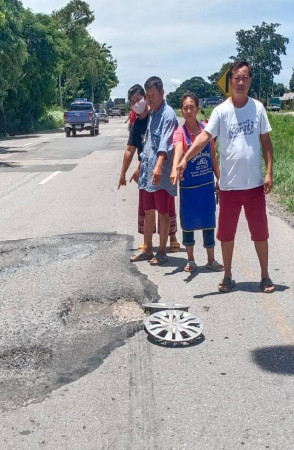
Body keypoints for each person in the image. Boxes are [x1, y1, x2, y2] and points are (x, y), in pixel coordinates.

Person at [176, 61, 275, 293]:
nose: (240, 82)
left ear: (250, 81)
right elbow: (204, 138)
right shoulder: (221, 111)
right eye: (236, 78)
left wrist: (269, 172)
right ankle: (228, 276)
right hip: (229, 187)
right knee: (226, 234)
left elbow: (266, 143)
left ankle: (265, 276)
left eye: (245, 77)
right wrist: (185, 158)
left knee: (260, 233)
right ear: (230, 81)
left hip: (254, 186)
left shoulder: (258, 108)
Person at [118, 84, 179, 253]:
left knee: (165, 209)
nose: (137, 103)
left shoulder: (162, 115)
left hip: (160, 170)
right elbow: (139, 148)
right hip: (147, 171)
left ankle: (167, 244)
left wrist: (156, 166)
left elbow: (163, 144)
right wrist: (127, 171)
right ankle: (148, 247)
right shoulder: (140, 122)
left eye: (139, 99)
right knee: (148, 209)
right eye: (132, 102)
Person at [170, 92, 223, 273]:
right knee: (188, 223)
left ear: (198, 109)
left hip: (206, 186)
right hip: (189, 188)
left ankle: (211, 260)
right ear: (182, 111)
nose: (188, 111)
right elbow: (178, 151)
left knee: (209, 222)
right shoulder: (179, 133)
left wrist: (220, 178)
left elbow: (213, 156)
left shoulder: (207, 130)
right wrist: (175, 168)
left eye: (192, 107)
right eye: (185, 108)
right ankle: (191, 260)